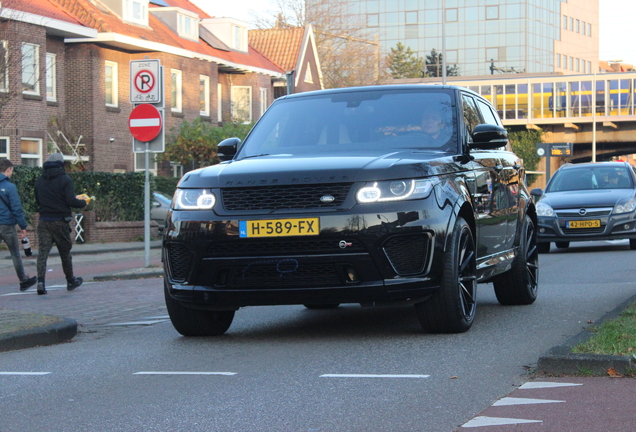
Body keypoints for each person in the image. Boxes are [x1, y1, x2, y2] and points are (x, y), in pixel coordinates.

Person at [34, 153, 87, 295]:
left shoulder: (40, 180)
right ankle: (70, 281)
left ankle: (40, 282)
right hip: (60, 221)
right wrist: (83, 202)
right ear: (61, 164)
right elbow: (70, 200)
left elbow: (38, 200)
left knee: (42, 253)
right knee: (65, 253)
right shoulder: (65, 180)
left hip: (44, 220)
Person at [0, 159, 37, 291]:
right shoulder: (10, 187)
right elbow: (16, 208)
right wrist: (23, 226)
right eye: (12, 171)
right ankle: (23, 280)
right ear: (8, 170)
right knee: (15, 253)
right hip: (7, 225)